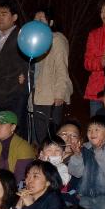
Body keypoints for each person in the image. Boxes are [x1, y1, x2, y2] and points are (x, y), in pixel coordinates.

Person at [29, 8, 72, 143]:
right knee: (39, 140)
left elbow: (62, 67)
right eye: (36, 19)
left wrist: (60, 93)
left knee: (50, 139)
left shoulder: (57, 39)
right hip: (37, 96)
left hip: (51, 97)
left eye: (42, 19)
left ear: (51, 22)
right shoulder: (35, 42)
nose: (38, 21)